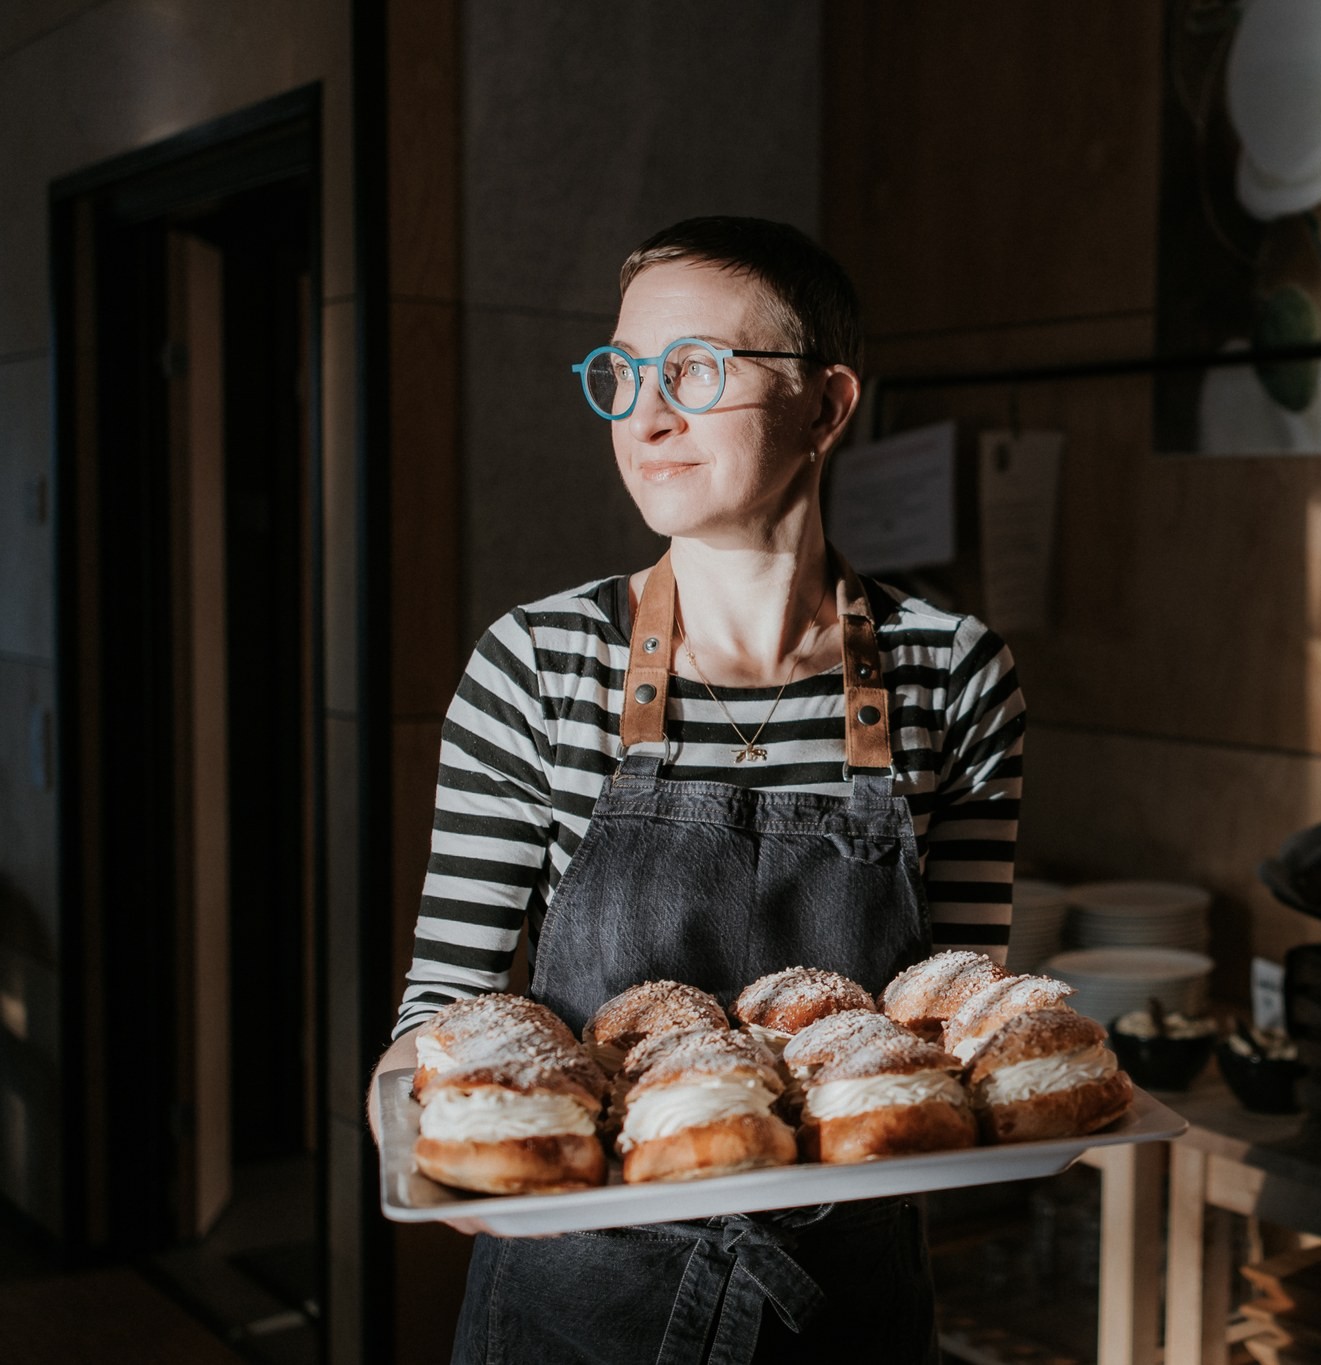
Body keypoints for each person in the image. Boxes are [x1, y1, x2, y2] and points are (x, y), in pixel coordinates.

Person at [371, 215, 1026, 1363]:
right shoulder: (540, 664)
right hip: (576, 1310)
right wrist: (422, 1144)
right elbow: (440, 1011)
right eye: (619, 375)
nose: (646, 415)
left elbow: (957, 1023)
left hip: (845, 1306)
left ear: (824, 406)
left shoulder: (950, 671)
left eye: (694, 370)